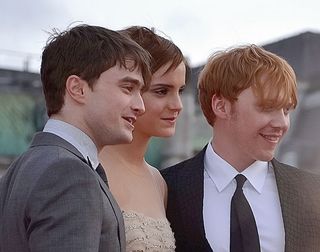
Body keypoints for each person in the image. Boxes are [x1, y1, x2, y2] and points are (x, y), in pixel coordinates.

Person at [0, 24, 151, 252]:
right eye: (128, 87)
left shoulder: (21, 168)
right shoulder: (68, 173)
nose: (140, 106)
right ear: (77, 89)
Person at [161, 45, 320, 252]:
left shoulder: (313, 192)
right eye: (267, 107)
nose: (282, 123)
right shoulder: (165, 188)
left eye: (286, 110)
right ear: (221, 106)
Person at [99, 26, 188, 251]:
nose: (177, 105)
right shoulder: (90, 169)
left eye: (181, 91)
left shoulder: (158, 181)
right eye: (162, 91)